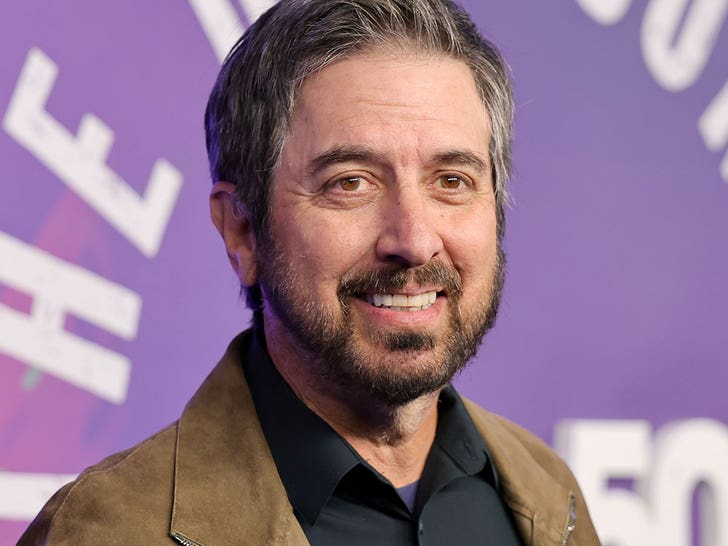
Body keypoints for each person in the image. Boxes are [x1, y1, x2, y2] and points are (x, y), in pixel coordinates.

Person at [20, 0, 601, 544]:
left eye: (451, 181)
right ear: (242, 230)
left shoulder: (549, 495)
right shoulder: (109, 529)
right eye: (350, 183)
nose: (414, 240)